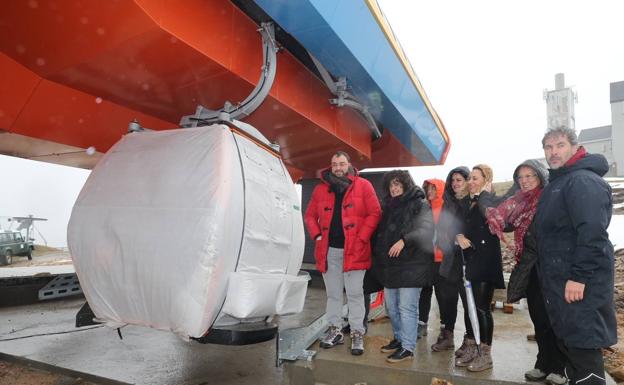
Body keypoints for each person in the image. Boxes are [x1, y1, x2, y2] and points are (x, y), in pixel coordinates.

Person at [535, 128, 616, 385]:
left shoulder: (582, 181)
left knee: (584, 350)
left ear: (574, 147)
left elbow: (592, 234)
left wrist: (579, 277)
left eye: (559, 145)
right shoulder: (560, 182)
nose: (553, 152)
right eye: (548, 148)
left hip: (580, 285)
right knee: (572, 346)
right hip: (563, 282)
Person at [486, 160, 566, 384]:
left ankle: (560, 367)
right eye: (520, 177)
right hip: (529, 266)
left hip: (552, 267)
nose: (525, 181)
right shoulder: (516, 203)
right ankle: (543, 363)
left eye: (530, 176)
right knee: (539, 318)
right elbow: (500, 219)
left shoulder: (550, 199)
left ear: (540, 176)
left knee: (555, 319)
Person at [304, 151, 381, 356]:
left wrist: (362, 237)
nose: (338, 167)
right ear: (331, 166)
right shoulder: (321, 189)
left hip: (355, 251)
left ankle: (357, 332)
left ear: (349, 165)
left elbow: (375, 212)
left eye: (341, 163)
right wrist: (318, 236)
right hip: (330, 251)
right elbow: (310, 215)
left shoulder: (363, 186)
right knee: (333, 295)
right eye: (334, 164)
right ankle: (335, 330)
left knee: (355, 294)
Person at [371, 170, 434, 362]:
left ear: (406, 185)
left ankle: (408, 347)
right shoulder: (389, 207)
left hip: (413, 264)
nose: (394, 188)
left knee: (407, 307)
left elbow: (426, 229)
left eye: (398, 184)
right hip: (392, 267)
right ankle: (399, 339)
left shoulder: (420, 204)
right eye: (391, 185)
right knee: (392, 308)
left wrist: (404, 240)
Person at [454, 164, 504, 372]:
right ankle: (474, 346)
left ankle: (486, 353)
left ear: (486, 179)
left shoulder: (489, 201)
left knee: (482, 308)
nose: (471, 182)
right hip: (473, 261)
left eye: (476, 178)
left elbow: (493, 225)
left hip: (486, 262)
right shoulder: (472, 203)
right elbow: (465, 230)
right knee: (471, 307)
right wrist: (459, 236)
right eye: (470, 178)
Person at [434, 167, 471, 353]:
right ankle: (447, 335)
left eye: (460, 180)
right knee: (447, 300)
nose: (456, 184)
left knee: (469, 302)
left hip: (468, 261)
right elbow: (441, 229)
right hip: (450, 261)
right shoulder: (447, 203)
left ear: (467, 181)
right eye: (453, 180)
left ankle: (469, 339)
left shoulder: (472, 201)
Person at [417, 179, 447, 340]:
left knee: (443, 294)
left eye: (434, 189)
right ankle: (422, 324)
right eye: (428, 189)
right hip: (425, 259)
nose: (430, 192)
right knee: (424, 292)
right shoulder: (423, 208)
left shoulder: (446, 209)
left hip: (442, 259)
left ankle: (445, 327)